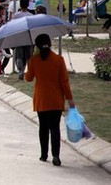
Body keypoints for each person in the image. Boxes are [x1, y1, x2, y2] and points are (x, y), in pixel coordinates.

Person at [25, 34, 76, 167]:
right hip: (56, 100)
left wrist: (28, 63)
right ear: (50, 44)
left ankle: (43, 154)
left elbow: (28, 78)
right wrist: (70, 99)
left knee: (43, 127)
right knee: (55, 128)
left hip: (41, 100)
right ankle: (56, 155)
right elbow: (64, 82)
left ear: (37, 46)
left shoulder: (34, 60)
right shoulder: (59, 60)